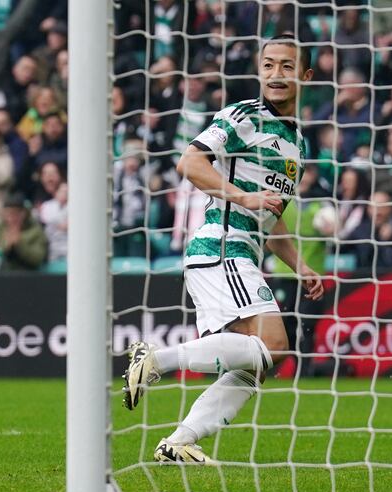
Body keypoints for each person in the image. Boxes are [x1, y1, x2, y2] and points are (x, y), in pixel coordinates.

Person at [122, 34, 324, 464]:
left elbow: (274, 219)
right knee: (276, 346)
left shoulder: (296, 143)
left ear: (305, 76)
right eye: (268, 65)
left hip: (242, 253)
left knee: (256, 368)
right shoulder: (242, 116)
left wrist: (301, 265)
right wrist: (243, 197)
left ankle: (179, 441)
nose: (276, 74)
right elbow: (190, 163)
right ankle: (156, 359)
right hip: (221, 247)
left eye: (287, 66)